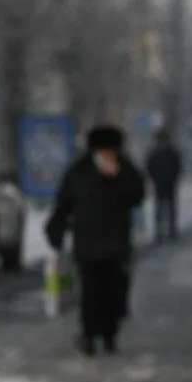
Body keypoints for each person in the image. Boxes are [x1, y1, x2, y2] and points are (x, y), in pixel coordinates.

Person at [45, 125, 145, 357]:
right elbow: (63, 203)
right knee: (91, 291)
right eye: (104, 150)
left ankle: (109, 334)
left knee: (115, 291)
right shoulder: (79, 171)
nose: (108, 155)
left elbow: (138, 196)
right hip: (87, 243)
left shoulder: (126, 169)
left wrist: (119, 177)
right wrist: (56, 230)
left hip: (117, 243)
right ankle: (88, 335)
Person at [146, 129, 182, 243]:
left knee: (169, 209)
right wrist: (155, 179)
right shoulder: (156, 154)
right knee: (160, 210)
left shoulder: (171, 153)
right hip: (160, 184)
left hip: (169, 184)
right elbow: (150, 168)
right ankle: (160, 233)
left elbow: (177, 167)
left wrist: (173, 178)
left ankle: (171, 232)